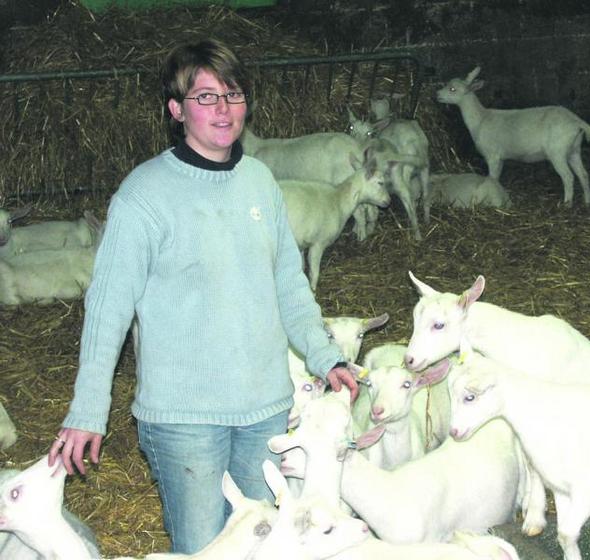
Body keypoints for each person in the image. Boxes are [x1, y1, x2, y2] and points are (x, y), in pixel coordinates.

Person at [48, 38, 359, 554]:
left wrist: (327, 356)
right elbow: (108, 313)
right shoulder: (143, 196)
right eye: (206, 97)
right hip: (183, 417)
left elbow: (289, 282)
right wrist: (87, 410)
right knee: (203, 548)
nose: (223, 109)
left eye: (233, 95)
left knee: (263, 544)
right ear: (176, 109)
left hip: (264, 406)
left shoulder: (261, 182)